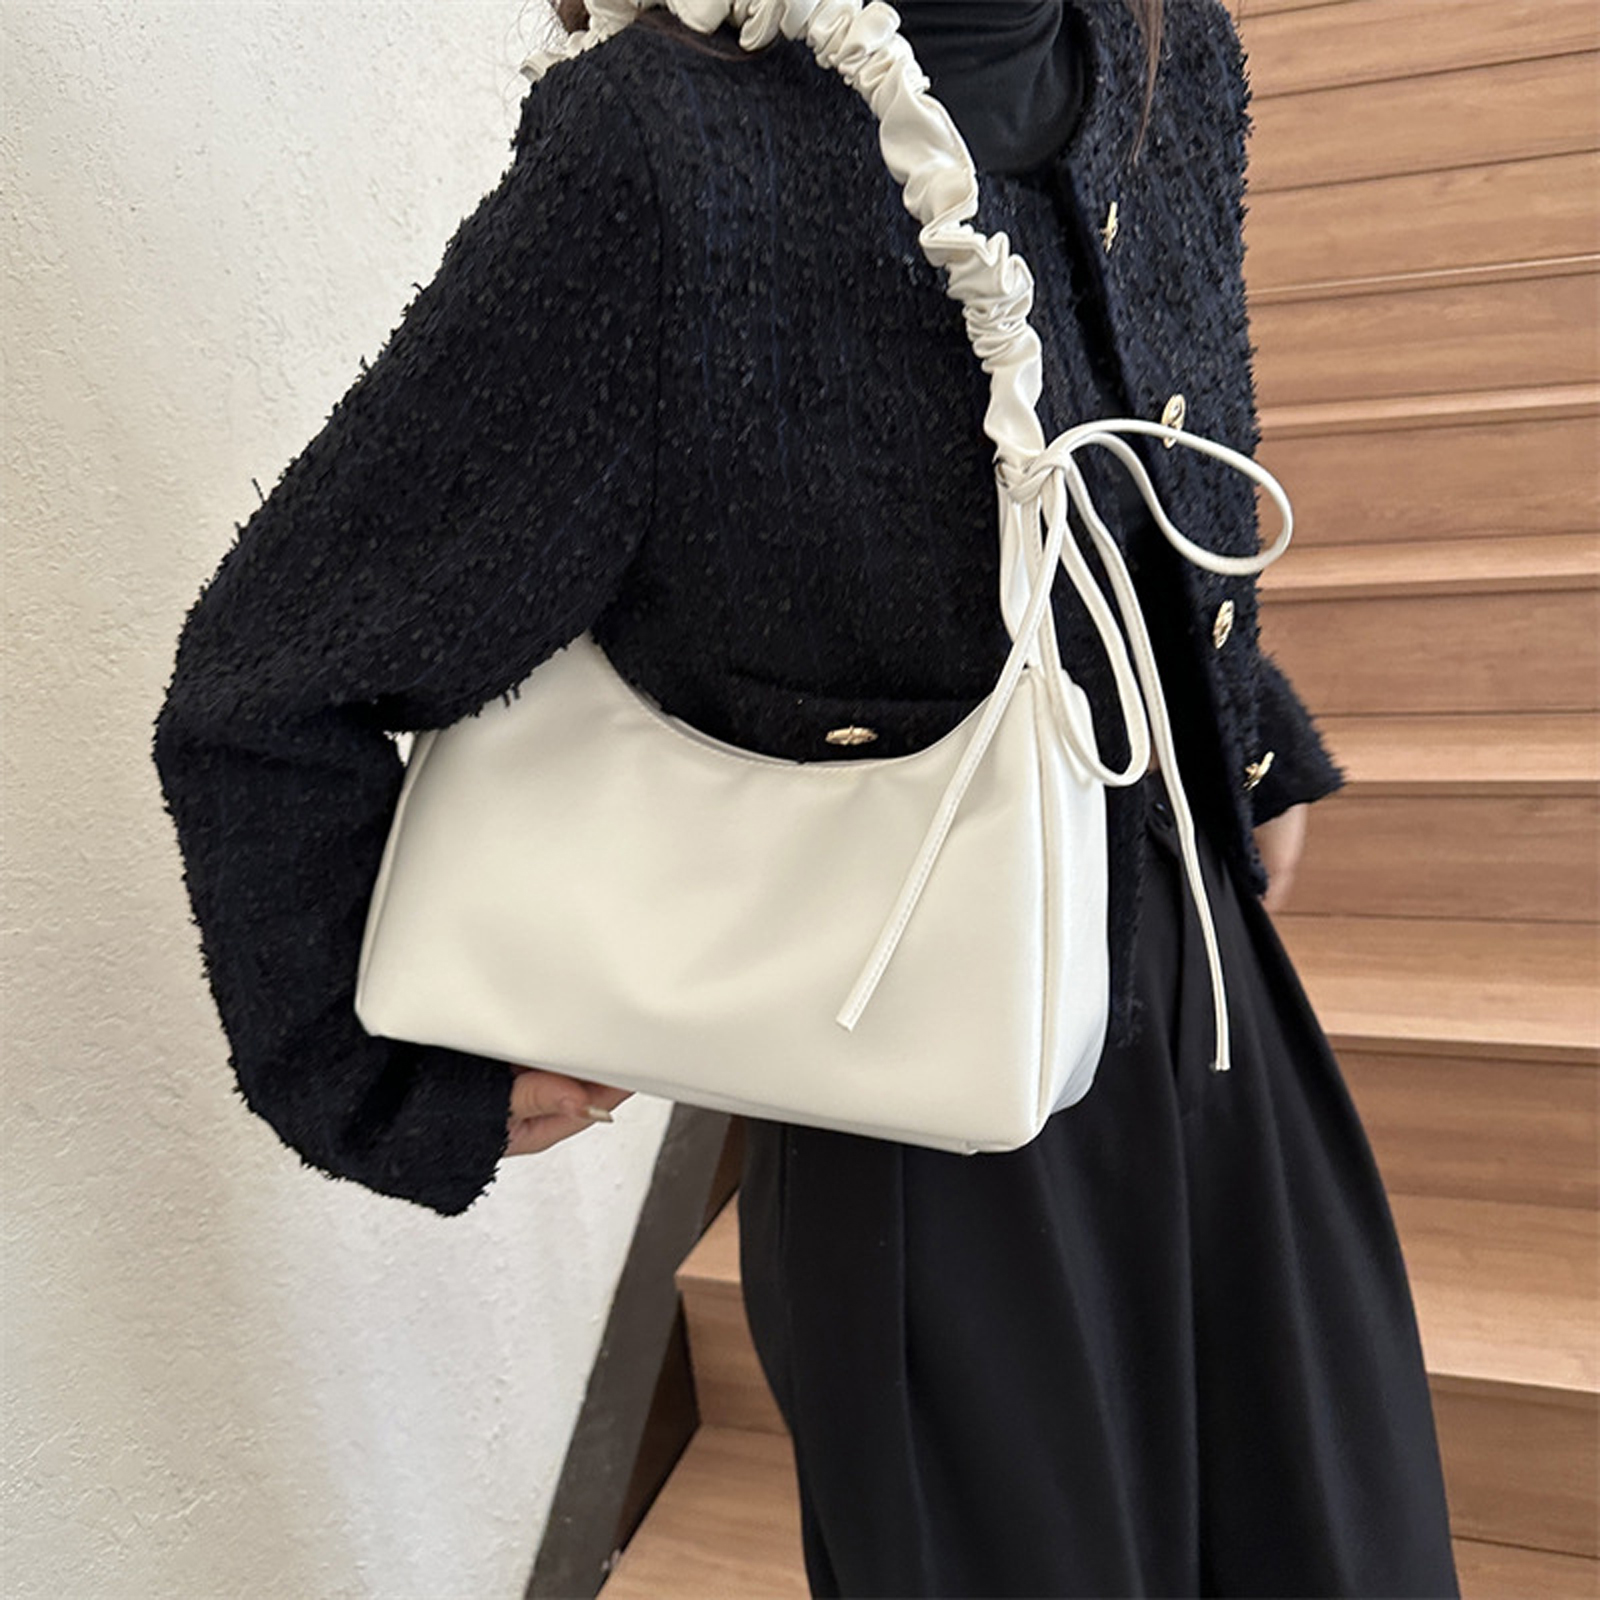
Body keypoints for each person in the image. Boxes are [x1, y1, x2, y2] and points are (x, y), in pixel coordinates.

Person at [152, 0, 1463, 1593]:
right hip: (907, 1082)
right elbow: (265, 680)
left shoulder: (1163, 44)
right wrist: (375, 1068)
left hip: (1208, 994)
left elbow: (1157, 436)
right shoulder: (663, 151)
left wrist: (1245, 722)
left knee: (1344, 1544)